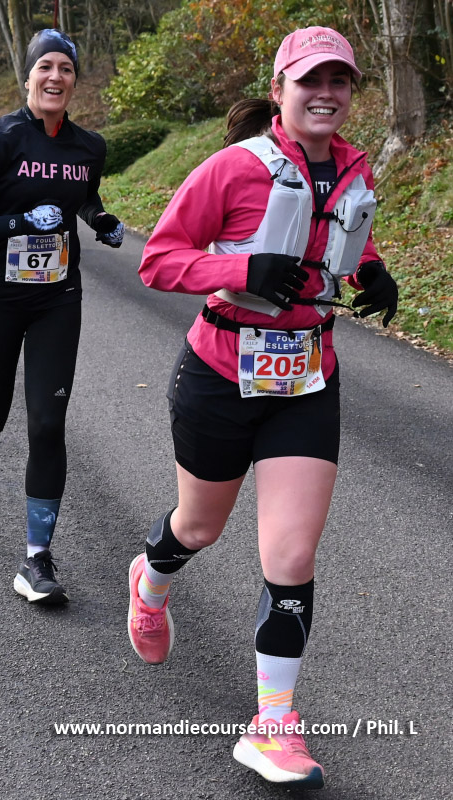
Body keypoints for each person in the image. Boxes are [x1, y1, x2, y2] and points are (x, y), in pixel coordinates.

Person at [127, 26, 398, 788]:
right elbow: (158, 260)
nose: (327, 94)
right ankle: (151, 579)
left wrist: (373, 272)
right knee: (199, 528)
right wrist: (243, 269)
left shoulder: (353, 166)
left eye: (340, 81)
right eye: (311, 80)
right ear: (279, 90)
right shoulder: (233, 167)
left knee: (291, 556)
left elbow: (343, 240)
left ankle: (273, 725)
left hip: (307, 377)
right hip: (221, 374)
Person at [0, 29, 124, 604]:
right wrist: (19, 223)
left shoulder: (89, 147)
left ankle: (36, 559)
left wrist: (98, 219)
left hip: (56, 297)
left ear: (74, 81)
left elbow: (83, 196)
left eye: (66, 68)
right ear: (28, 77)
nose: (55, 76)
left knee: (47, 423)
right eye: (45, 66)